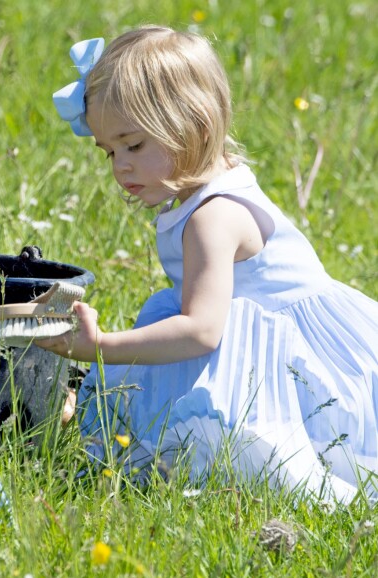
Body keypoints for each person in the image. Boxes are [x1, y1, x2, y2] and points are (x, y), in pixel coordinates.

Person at [43, 26, 378, 502]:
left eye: (133, 146)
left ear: (193, 127)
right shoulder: (202, 195)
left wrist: (101, 346)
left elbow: (201, 331)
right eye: (109, 152)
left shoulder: (212, 218)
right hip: (259, 339)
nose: (120, 167)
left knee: (253, 451)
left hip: (310, 361)